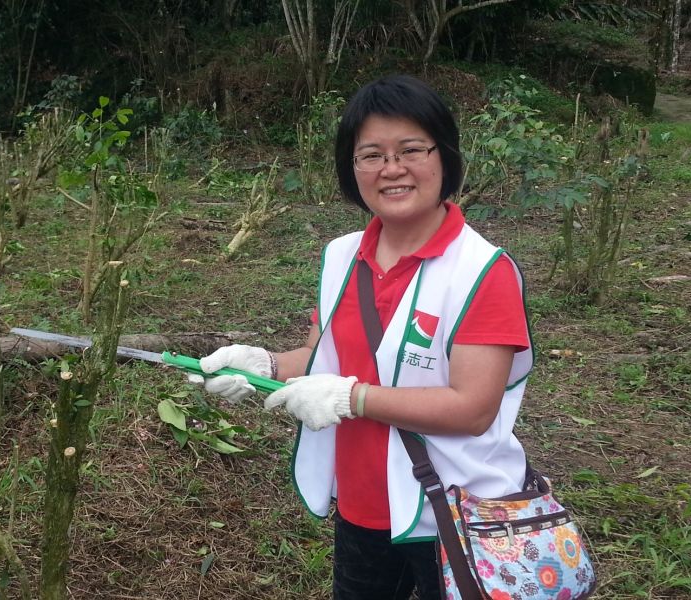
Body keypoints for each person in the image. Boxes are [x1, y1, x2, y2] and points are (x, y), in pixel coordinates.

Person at [189, 74, 533, 599]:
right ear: (352, 170)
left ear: (445, 157)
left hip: (456, 511)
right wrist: (261, 364)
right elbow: (320, 355)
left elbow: (473, 408)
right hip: (364, 505)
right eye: (370, 154)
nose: (392, 169)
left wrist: (352, 398)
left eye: (411, 149)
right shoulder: (341, 256)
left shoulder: (482, 271)